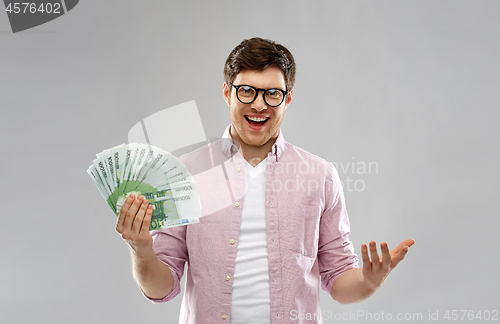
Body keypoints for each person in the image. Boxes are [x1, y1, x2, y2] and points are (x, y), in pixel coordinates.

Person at [115, 37, 415, 324]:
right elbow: (161, 289)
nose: (259, 105)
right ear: (226, 92)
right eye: (247, 90)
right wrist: (141, 250)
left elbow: (339, 279)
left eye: (272, 93)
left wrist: (368, 281)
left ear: (288, 99)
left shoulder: (319, 175)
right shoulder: (185, 173)